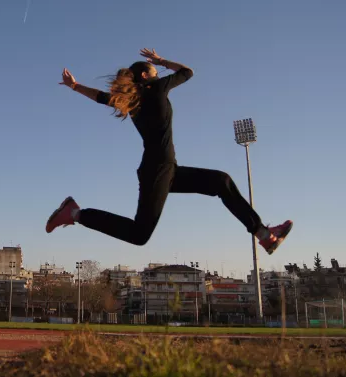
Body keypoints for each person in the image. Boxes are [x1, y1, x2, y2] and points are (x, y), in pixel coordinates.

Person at [46, 48, 293, 255]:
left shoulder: (132, 99)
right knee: (139, 234)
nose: (160, 73)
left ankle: (264, 235)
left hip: (166, 169)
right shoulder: (156, 88)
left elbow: (102, 97)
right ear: (146, 75)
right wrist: (162, 61)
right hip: (157, 169)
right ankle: (76, 213)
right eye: (155, 71)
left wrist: (75, 86)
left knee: (221, 181)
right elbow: (187, 72)